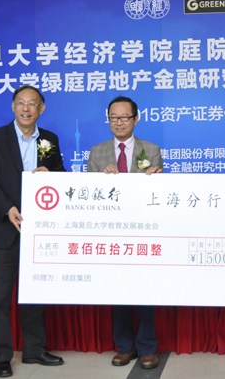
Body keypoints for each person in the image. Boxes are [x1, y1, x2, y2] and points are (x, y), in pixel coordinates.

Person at [0, 85, 66, 378]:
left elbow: (62, 176)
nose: (26, 108)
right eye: (21, 103)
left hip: (39, 229)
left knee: (35, 293)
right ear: (13, 107)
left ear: (41, 108)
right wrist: (8, 208)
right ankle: (1, 357)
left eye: (32, 103)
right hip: (4, 226)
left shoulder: (49, 140)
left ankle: (34, 350)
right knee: (0, 298)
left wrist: (52, 175)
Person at [87, 96, 163, 369]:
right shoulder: (97, 152)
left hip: (143, 231)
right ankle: (124, 346)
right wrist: (100, 181)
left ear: (135, 119)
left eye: (124, 117)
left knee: (145, 291)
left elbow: (161, 194)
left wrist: (157, 178)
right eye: (113, 117)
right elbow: (87, 195)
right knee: (117, 290)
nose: (118, 122)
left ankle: (147, 348)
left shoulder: (151, 149)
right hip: (111, 233)